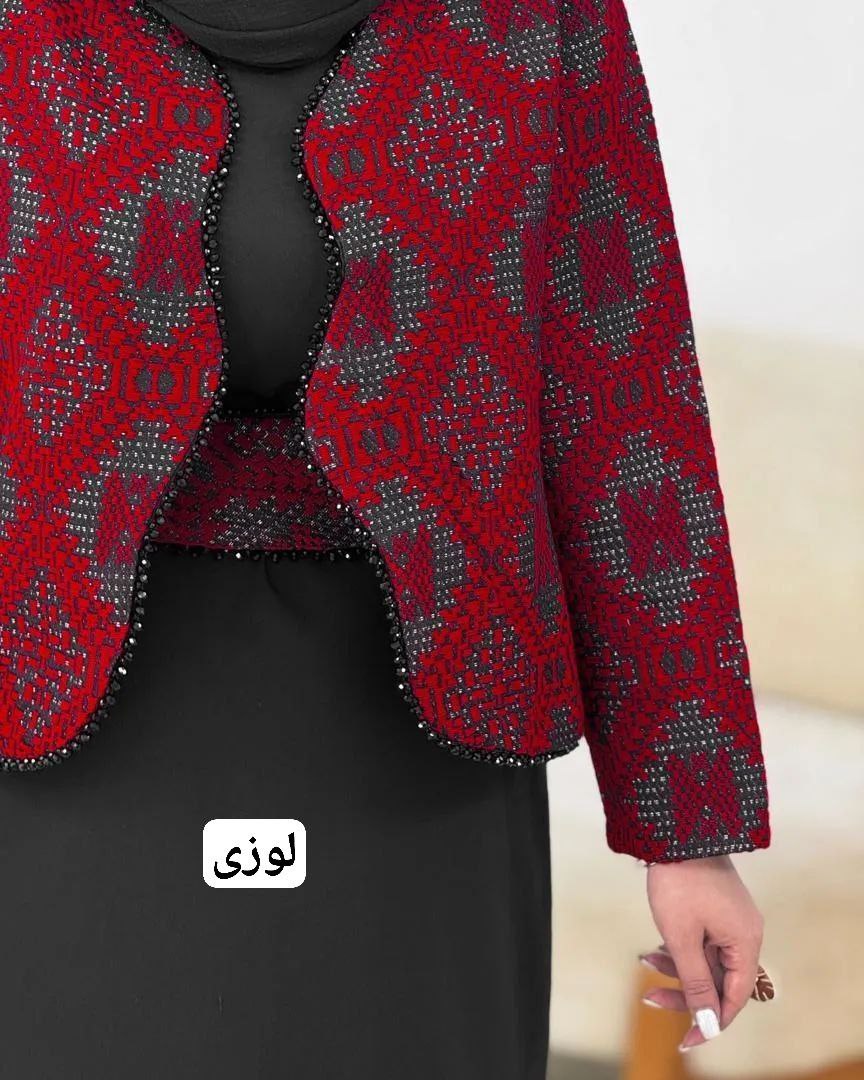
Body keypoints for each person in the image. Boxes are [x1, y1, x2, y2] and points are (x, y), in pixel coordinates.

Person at [0, 1, 771, 1076]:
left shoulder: (540, 18)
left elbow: (623, 391)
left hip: (438, 721)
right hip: (60, 697)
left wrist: (691, 835)